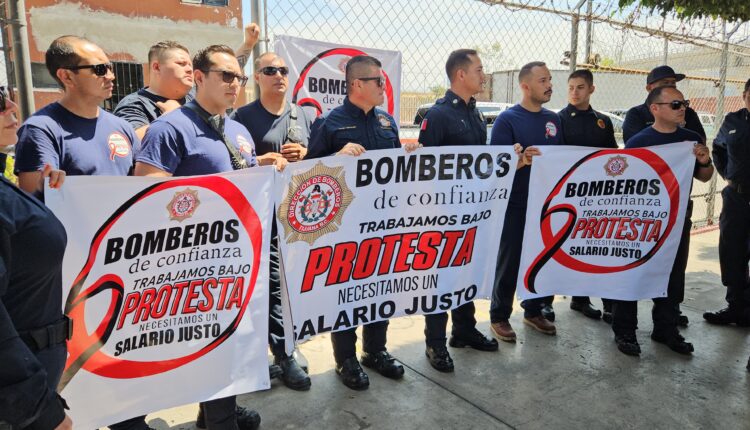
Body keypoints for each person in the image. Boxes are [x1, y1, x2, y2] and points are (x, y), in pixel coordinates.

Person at [12, 35, 149, 430]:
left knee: (128, 351)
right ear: (66, 76)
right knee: (87, 363)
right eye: (100, 69)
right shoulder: (42, 128)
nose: (111, 77)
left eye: (110, 67)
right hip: (78, 278)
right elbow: (33, 195)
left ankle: (131, 420)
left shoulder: (120, 126)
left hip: (127, 266)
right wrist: (49, 182)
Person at [135, 44, 271, 430]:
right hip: (193, 262)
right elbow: (145, 194)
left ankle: (214, 411)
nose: (235, 84)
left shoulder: (238, 128)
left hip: (238, 257)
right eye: (225, 76)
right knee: (209, 345)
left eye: (239, 77)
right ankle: (219, 420)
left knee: (230, 343)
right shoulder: (171, 128)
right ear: (198, 77)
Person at [307, 55, 407, 390]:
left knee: (379, 287)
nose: (383, 86)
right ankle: (345, 358)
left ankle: (375, 350)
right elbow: (307, 173)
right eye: (378, 81)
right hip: (345, 226)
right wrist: (335, 158)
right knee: (347, 292)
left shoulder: (387, 122)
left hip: (383, 222)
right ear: (356, 85)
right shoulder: (330, 123)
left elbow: (396, 171)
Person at [231, 52, 312, 391]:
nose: (278, 75)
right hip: (253, 218)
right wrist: (258, 160)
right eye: (270, 70)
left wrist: (306, 155)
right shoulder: (241, 118)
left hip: (293, 218)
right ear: (257, 77)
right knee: (251, 291)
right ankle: (248, 361)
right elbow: (233, 164)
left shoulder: (303, 116)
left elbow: (320, 160)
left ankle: (283, 353)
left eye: (283, 70)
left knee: (283, 289)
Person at [613, 86, 713, 356]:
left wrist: (705, 161)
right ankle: (625, 331)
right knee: (632, 272)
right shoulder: (638, 143)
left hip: (677, 218)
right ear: (655, 109)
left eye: (684, 104)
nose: (683, 109)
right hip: (640, 222)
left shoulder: (690, 140)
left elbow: (704, 177)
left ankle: (666, 328)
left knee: (673, 274)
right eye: (676, 104)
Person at [417, 49, 499, 373]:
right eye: (479, 70)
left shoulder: (475, 112)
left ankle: (463, 330)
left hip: (473, 211)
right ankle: (434, 342)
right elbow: (425, 169)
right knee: (441, 276)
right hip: (443, 213)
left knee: (466, 267)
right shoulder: (438, 116)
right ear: (461, 75)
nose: (484, 75)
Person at [0, 91, 71, 430]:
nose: (12, 107)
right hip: (20, 403)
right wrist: (39, 410)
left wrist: (39, 201)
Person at [489, 61, 562, 341]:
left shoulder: (553, 120)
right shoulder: (508, 120)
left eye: (549, 80)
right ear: (525, 86)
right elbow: (497, 166)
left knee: (543, 257)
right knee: (510, 260)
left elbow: (561, 159)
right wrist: (522, 160)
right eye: (543, 80)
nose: (549, 85)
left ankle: (534, 310)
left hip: (547, 204)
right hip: (516, 203)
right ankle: (499, 316)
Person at [558, 69, 617, 322]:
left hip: (596, 196)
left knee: (596, 246)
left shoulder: (602, 121)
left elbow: (612, 154)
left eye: (580, 87)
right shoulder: (558, 119)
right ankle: (573, 298)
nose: (574, 92)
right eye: (571, 87)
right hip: (568, 194)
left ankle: (603, 300)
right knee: (566, 247)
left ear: (591, 89)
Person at [703, 78, 750, 327]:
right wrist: (728, 176)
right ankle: (735, 307)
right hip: (735, 197)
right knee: (732, 252)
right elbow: (718, 149)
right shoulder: (732, 121)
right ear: (744, 96)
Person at [113, 41, 194, 139]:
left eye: (190, 65)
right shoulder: (135, 104)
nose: (189, 69)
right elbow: (134, 140)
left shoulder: (197, 97)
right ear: (156, 67)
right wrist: (173, 115)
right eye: (181, 64)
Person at [623, 65, 706, 144]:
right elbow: (634, 150)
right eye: (665, 83)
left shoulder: (687, 112)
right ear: (649, 88)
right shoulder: (636, 114)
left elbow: (700, 143)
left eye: (673, 83)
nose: (670, 87)